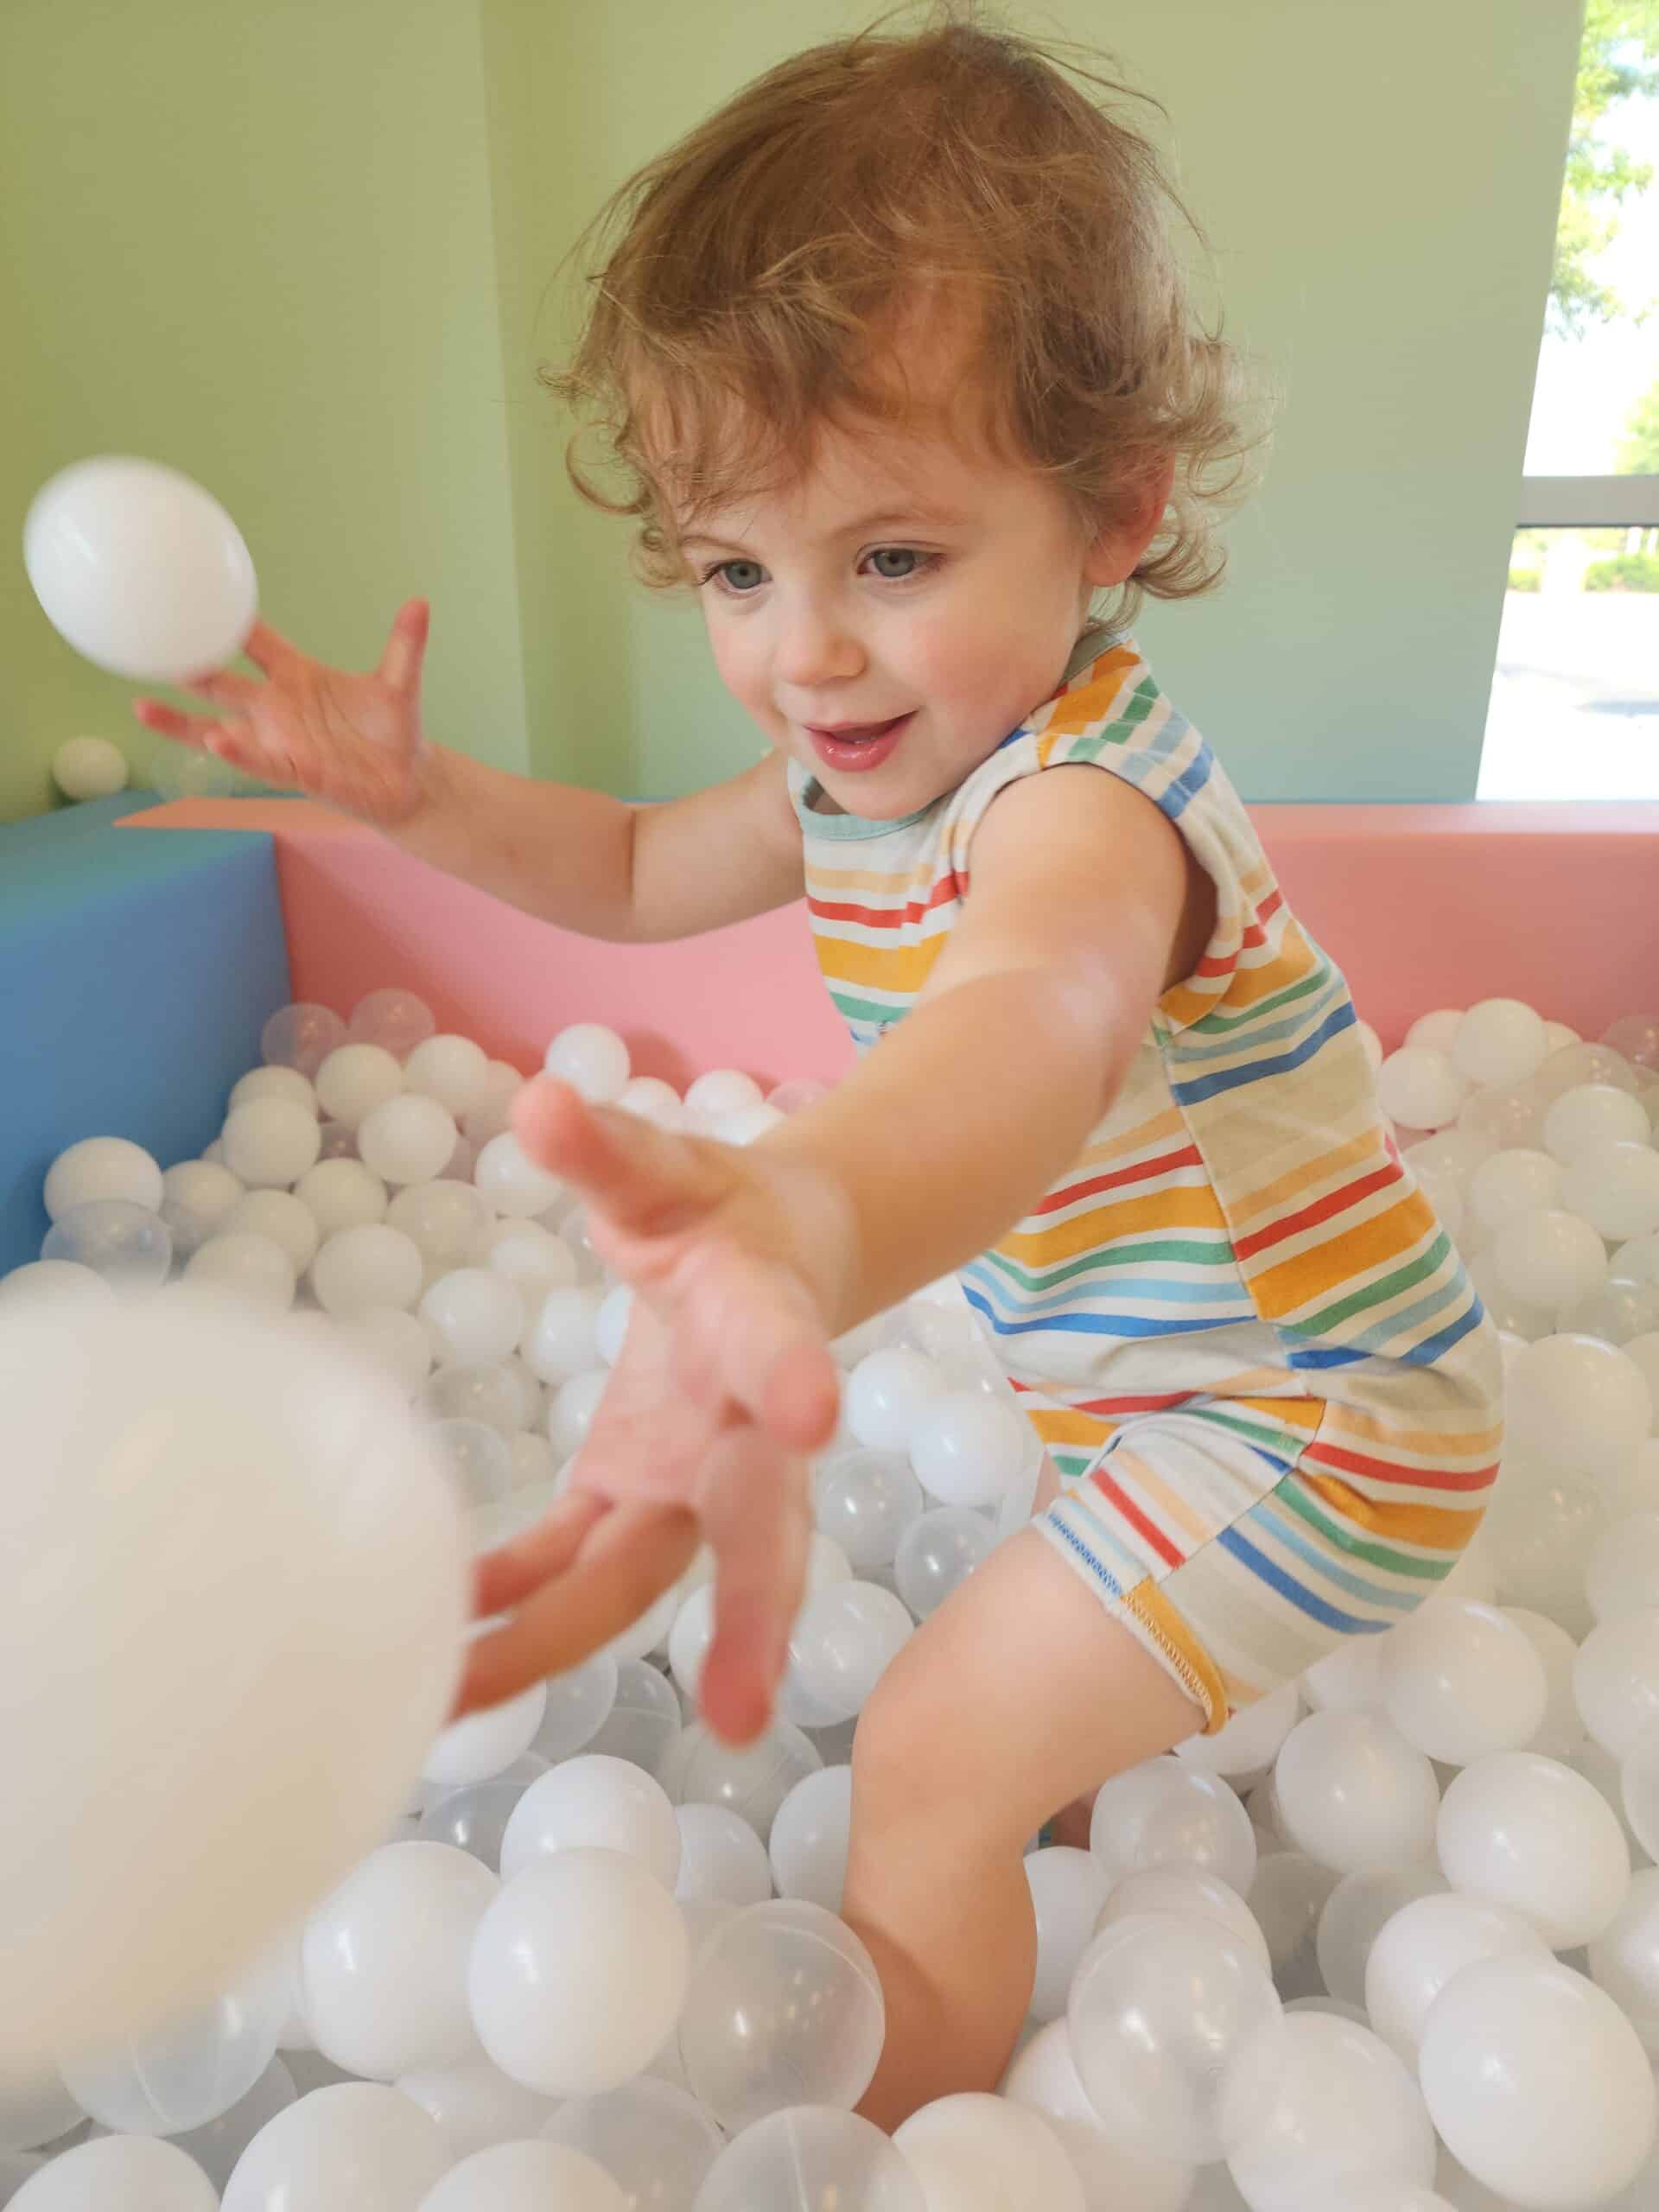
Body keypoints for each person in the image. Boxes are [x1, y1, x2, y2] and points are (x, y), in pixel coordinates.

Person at [132, 6, 1503, 2127]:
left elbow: (1027, 1028)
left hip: (1321, 1413)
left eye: (892, 557)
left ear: (1113, 509)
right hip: (1153, 1391)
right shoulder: (850, 762)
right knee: (1028, 1710)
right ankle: (1077, 1865)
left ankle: (898, 2149)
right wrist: (406, 795)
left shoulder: (1080, 807)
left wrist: (815, 1204)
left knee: (934, 1750)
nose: (806, 652)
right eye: (736, 572)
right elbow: (616, 862)